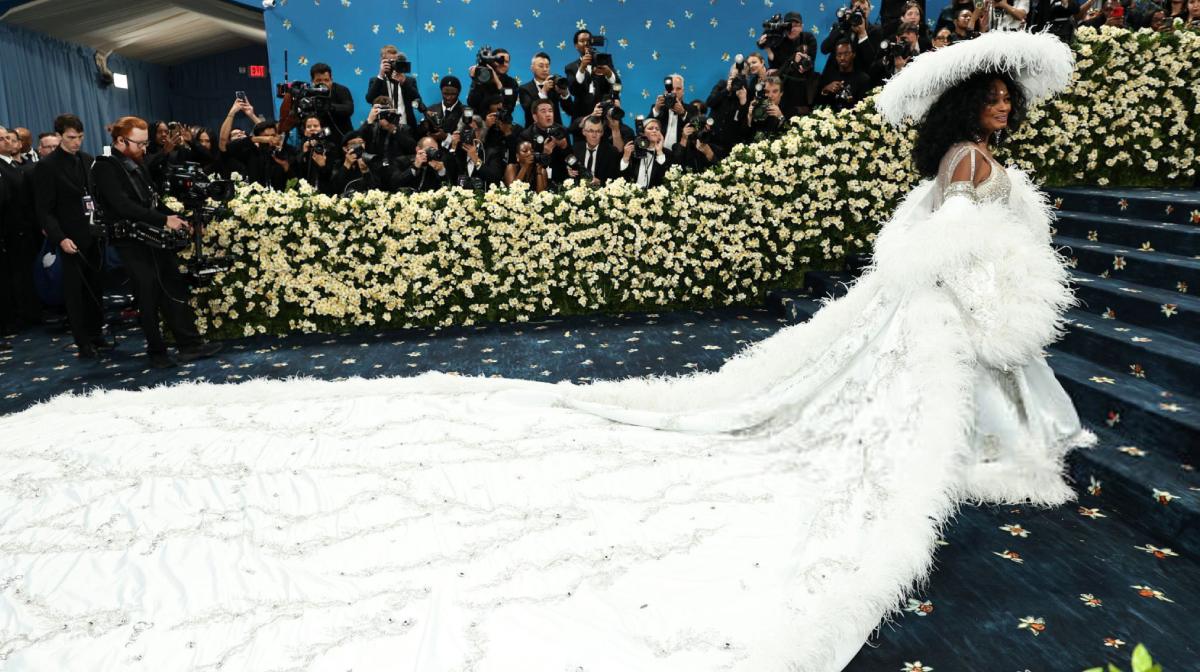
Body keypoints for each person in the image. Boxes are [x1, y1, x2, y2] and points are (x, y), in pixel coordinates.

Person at [91, 116, 223, 368]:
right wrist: (164, 219)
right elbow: (122, 205)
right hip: (131, 240)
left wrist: (180, 219)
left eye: (144, 144)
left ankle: (190, 344)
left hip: (153, 237)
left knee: (173, 286)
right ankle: (156, 351)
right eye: (138, 144)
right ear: (120, 140)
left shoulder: (136, 163)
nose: (144, 149)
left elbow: (152, 199)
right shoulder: (105, 166)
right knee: (148, 294)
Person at [33, 114, 108, 359]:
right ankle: (83, 341)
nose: (77, 142)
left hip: (93, 234)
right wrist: (60, 238)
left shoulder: (87, 160)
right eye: (71, 138)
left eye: (80, 137)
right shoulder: (47, 166)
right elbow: (45, 210)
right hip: (69, 238)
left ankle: (96, 333)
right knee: (75, 292)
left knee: (95, 287)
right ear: (59, 136)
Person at [364, 46, 424, 129]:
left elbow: (417, 100)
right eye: (390, 62)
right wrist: (381, 75)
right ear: (382, 62)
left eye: (395, 62)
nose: (393, 64)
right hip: (384, 127)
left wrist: (404, 82)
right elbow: (369, 99)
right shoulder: (376, 80)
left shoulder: (409, 80)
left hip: (406, 126)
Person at [816, 40, 873, 110]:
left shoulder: (863, 79)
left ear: (853, 54)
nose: (842, 58)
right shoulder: (828, 77)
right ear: (836, 57)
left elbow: (864, 109)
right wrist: (825, 90)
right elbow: (817, 105)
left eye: (846, 54)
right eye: (839, 55)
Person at [566, 115, 621, 185]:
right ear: (584, 132)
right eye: (591, 131)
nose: (594, 135)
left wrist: (600, 182)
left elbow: (615, 179)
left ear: (602, 133)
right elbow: (566, 171)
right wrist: (569, 171)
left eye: (598, 131)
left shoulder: (611, 152)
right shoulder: (575, 149)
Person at [308, 62, 356, 141]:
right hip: (319, 139)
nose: (323, 84)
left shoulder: (342, 90)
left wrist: (329, 106)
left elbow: (349, 109)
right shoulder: (308, 94)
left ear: (331, 80)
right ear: (312, 82)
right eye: (318, 81)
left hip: (343, 138)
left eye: (326, 80)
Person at [619, 118, 671, 188]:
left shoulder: (667, 153)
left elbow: (666, 176)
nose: (654, 131)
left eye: (657, 129)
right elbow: (622, 175)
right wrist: (625, 158)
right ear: (642, 133)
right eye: (650, 128)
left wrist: (659, 152)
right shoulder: (632, 149)